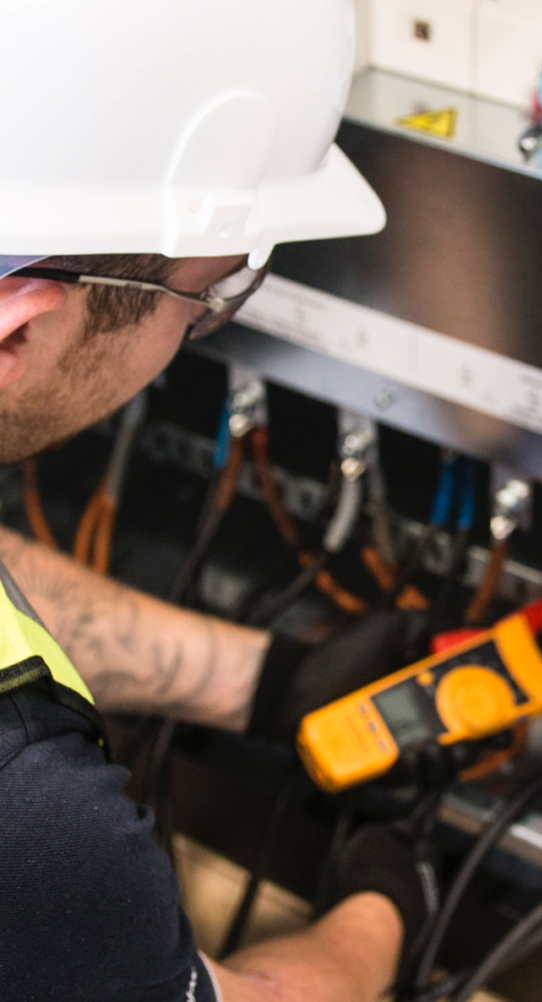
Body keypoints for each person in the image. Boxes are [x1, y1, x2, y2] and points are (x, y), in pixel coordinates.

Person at [0, 1, 431, 999]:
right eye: (210, 298)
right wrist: (385, 903)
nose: (206, 320)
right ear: (18, 336)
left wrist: (270, 680)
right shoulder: (34, 821)